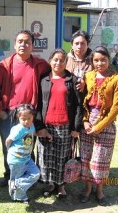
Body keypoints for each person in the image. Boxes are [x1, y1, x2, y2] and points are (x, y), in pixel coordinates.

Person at [0, 29, 52, 187]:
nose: (23, 44)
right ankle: (9, 175)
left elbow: (57, 74)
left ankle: (26, 177)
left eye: (27, 42)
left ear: (32, 46)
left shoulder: (40, 65)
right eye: (20, 41)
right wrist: (0, 111)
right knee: (9, 146)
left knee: (27, 147)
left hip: (29, 116)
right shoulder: (5, 65)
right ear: (15, 44)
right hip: (9, 114)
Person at [79, 46, 118, 206]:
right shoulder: (88, 76)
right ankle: (87, 189)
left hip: (106, 122)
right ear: (92, 61)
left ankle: (99, 190)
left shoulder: (117, 79)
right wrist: (85, 121)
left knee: (101, 159)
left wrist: (99, 126)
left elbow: (116, 107)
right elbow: (82, 101)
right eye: (96, 60)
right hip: (87, 122)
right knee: (86, 157)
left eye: (103, 60)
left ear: (108, 60)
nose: (99, 63)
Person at [36, 48, 83, 199]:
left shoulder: (73, 80)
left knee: (62, 157)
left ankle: (61, 185)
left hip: (64, 126)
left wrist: (76, 128)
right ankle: (50, 183)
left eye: (62, 60)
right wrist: (39, 126)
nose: (58, 63)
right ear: (50, 61)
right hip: (47, 125)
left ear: (66, 62)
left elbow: (78, 106)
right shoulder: (43, 79)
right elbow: (38, 104)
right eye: (55, 59)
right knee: (47, 157)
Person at [6, 104, 40, 203]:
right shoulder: (18, 129)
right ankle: (19, 197)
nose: (26, 121)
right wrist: (9, 151)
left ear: (33, 117)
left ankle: (15, 184)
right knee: (19, 178)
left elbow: (33, 134)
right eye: (23, 119)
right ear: (18, 118)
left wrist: (44, 134)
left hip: (27, 158)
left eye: (29, 118)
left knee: (35, 174)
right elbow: (8, 140)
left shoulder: (31, 126)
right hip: (16, 160)